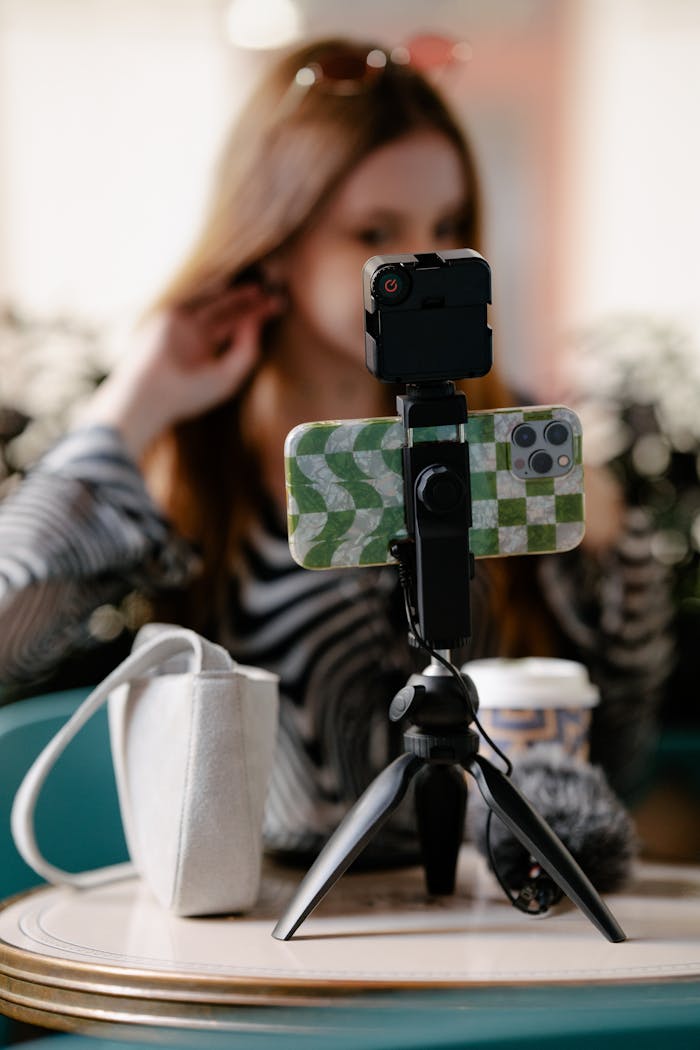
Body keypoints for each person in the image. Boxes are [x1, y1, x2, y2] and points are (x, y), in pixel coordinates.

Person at [0, 39, 673, 861]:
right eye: (373, 231)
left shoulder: (517, 448)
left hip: (487, 930)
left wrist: (616, 552)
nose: (426, 260)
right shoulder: (189, 465)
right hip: (262, 930)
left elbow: (621, 760)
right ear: (275, 241)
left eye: (450, 225)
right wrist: (130, 408)